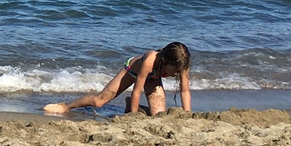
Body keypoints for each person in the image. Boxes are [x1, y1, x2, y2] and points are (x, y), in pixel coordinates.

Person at [43, 42, 191, 116]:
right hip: (133, 71)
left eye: (179, 71)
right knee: (99, 101)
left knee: (158, 115)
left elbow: (184, 92)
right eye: (174, 71)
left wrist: (188, 114)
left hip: (153, 78)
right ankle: (65, 106)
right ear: (165, 60)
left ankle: (130, 105)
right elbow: (137, 91)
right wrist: (133, 116)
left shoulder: (182, 63)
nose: (176, 74)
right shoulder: (150, 61)